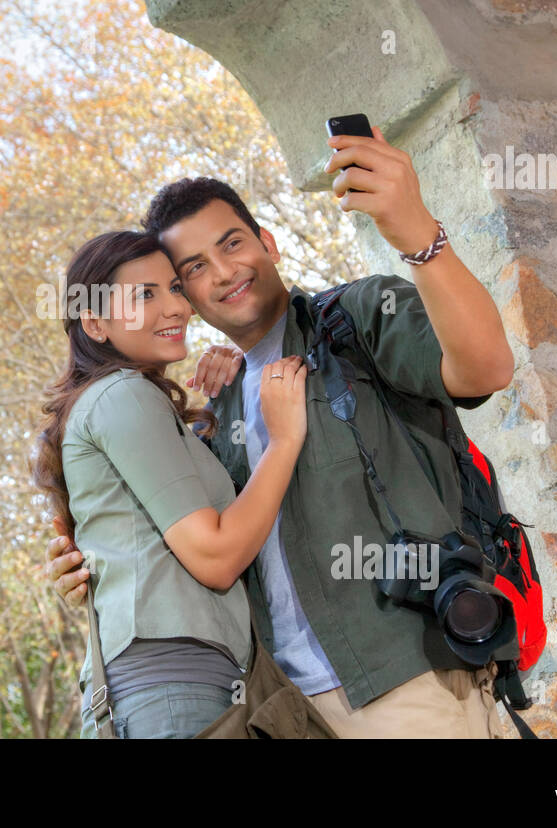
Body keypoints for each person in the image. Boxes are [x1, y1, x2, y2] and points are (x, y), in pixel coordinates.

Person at [47, 128, 515, 737]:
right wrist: (99, 567)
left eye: (232, 243)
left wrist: (418, 237)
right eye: (192, 268)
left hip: (406, 684)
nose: (222, 272)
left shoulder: (356, 320)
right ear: (184, 293)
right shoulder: (211, 413)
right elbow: (209, 548)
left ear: (266, 242)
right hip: (281, 714)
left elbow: (486, 367)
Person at [31, 229, 308, 738]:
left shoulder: (124, 402)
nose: (175, 307)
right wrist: (285, 439)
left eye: (175, 288)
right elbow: (217, 557)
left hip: (173, 687)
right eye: (144, 295)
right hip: (175, 690)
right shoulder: (122, 396)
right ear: (94, 323)